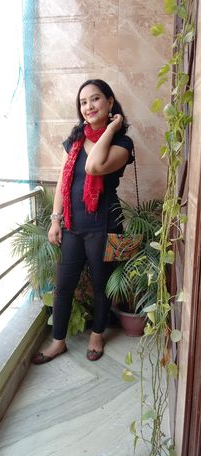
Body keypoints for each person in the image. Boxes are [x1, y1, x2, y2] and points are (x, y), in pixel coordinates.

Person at [32, 78, 134, 364]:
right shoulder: (75, 140)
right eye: (83, 102)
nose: (88, 106)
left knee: (102, 285)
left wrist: (113, 127)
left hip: (105, 226)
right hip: (73, 226)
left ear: (110, 102)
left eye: (95, 99)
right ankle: (58, 341)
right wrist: (55, 220)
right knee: (63, 286)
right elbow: (64, 179)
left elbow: (94, 166)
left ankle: (97, 335)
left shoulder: (122, 143)